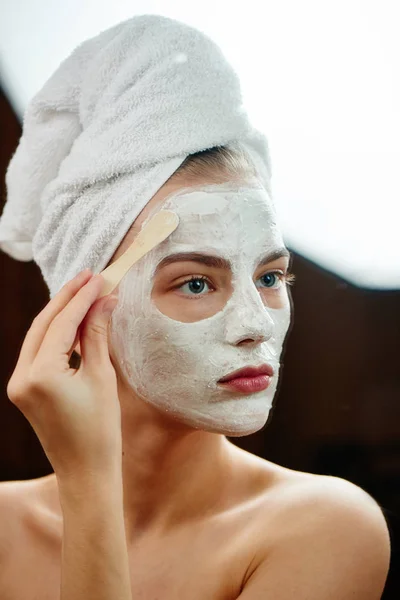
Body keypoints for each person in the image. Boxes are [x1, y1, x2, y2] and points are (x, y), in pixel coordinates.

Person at [0, 17, 390, 600]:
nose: (255, 326)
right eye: (196, 284)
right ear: (84, 305)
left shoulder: (324, 526)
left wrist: (89, 488)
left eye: (269, 276)